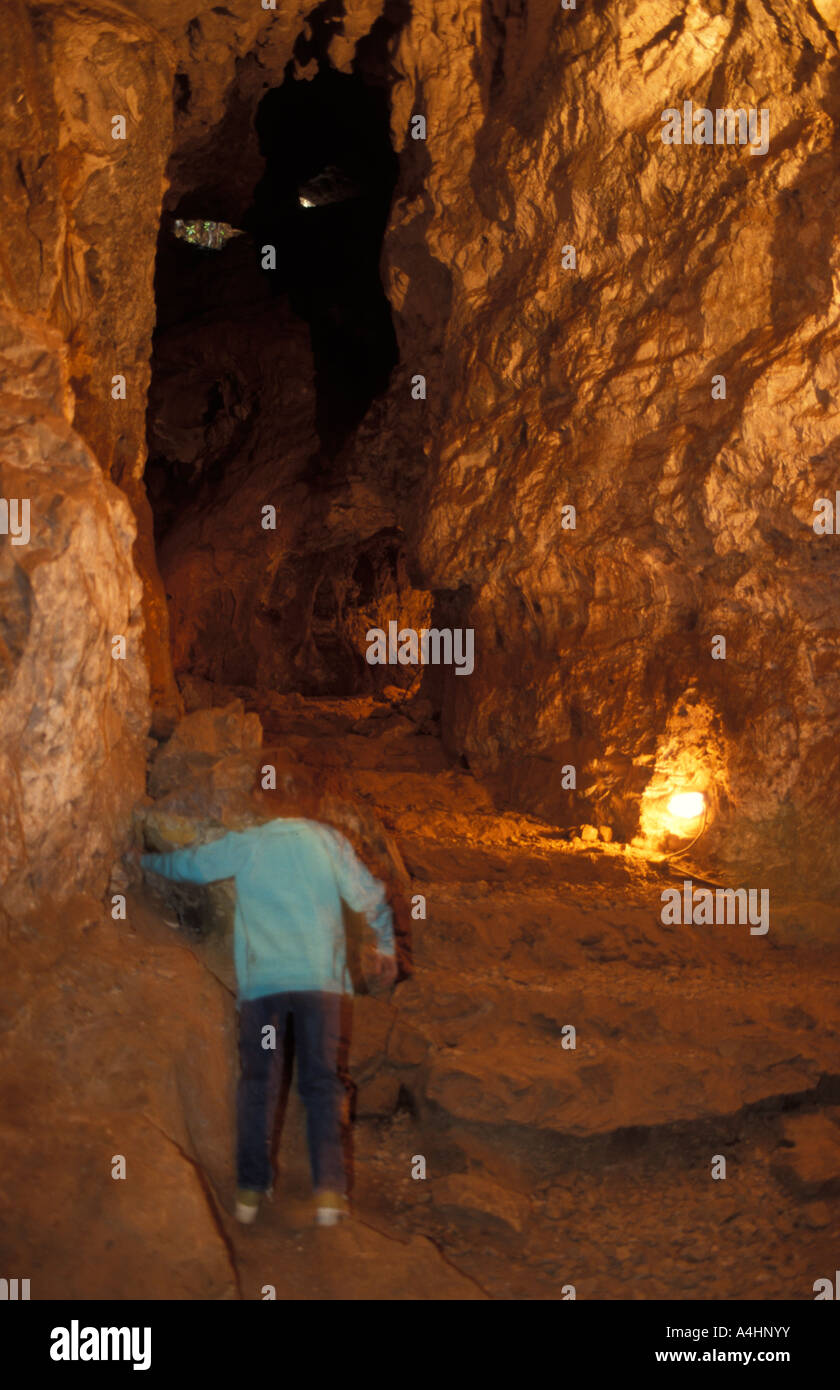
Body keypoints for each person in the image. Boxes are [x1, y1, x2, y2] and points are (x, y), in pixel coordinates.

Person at [139, 791, 397, 1227]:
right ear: (306, 803)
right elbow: (369, 895)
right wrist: (385, 943)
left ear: (263, 803)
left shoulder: (250, 843)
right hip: (321, 988)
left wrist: (146, 862)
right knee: (321, 1084)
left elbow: (194, 865)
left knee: (260, 1082)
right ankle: (330, 1196)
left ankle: (249, 1193)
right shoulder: (327, 841)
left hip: (265, 992)